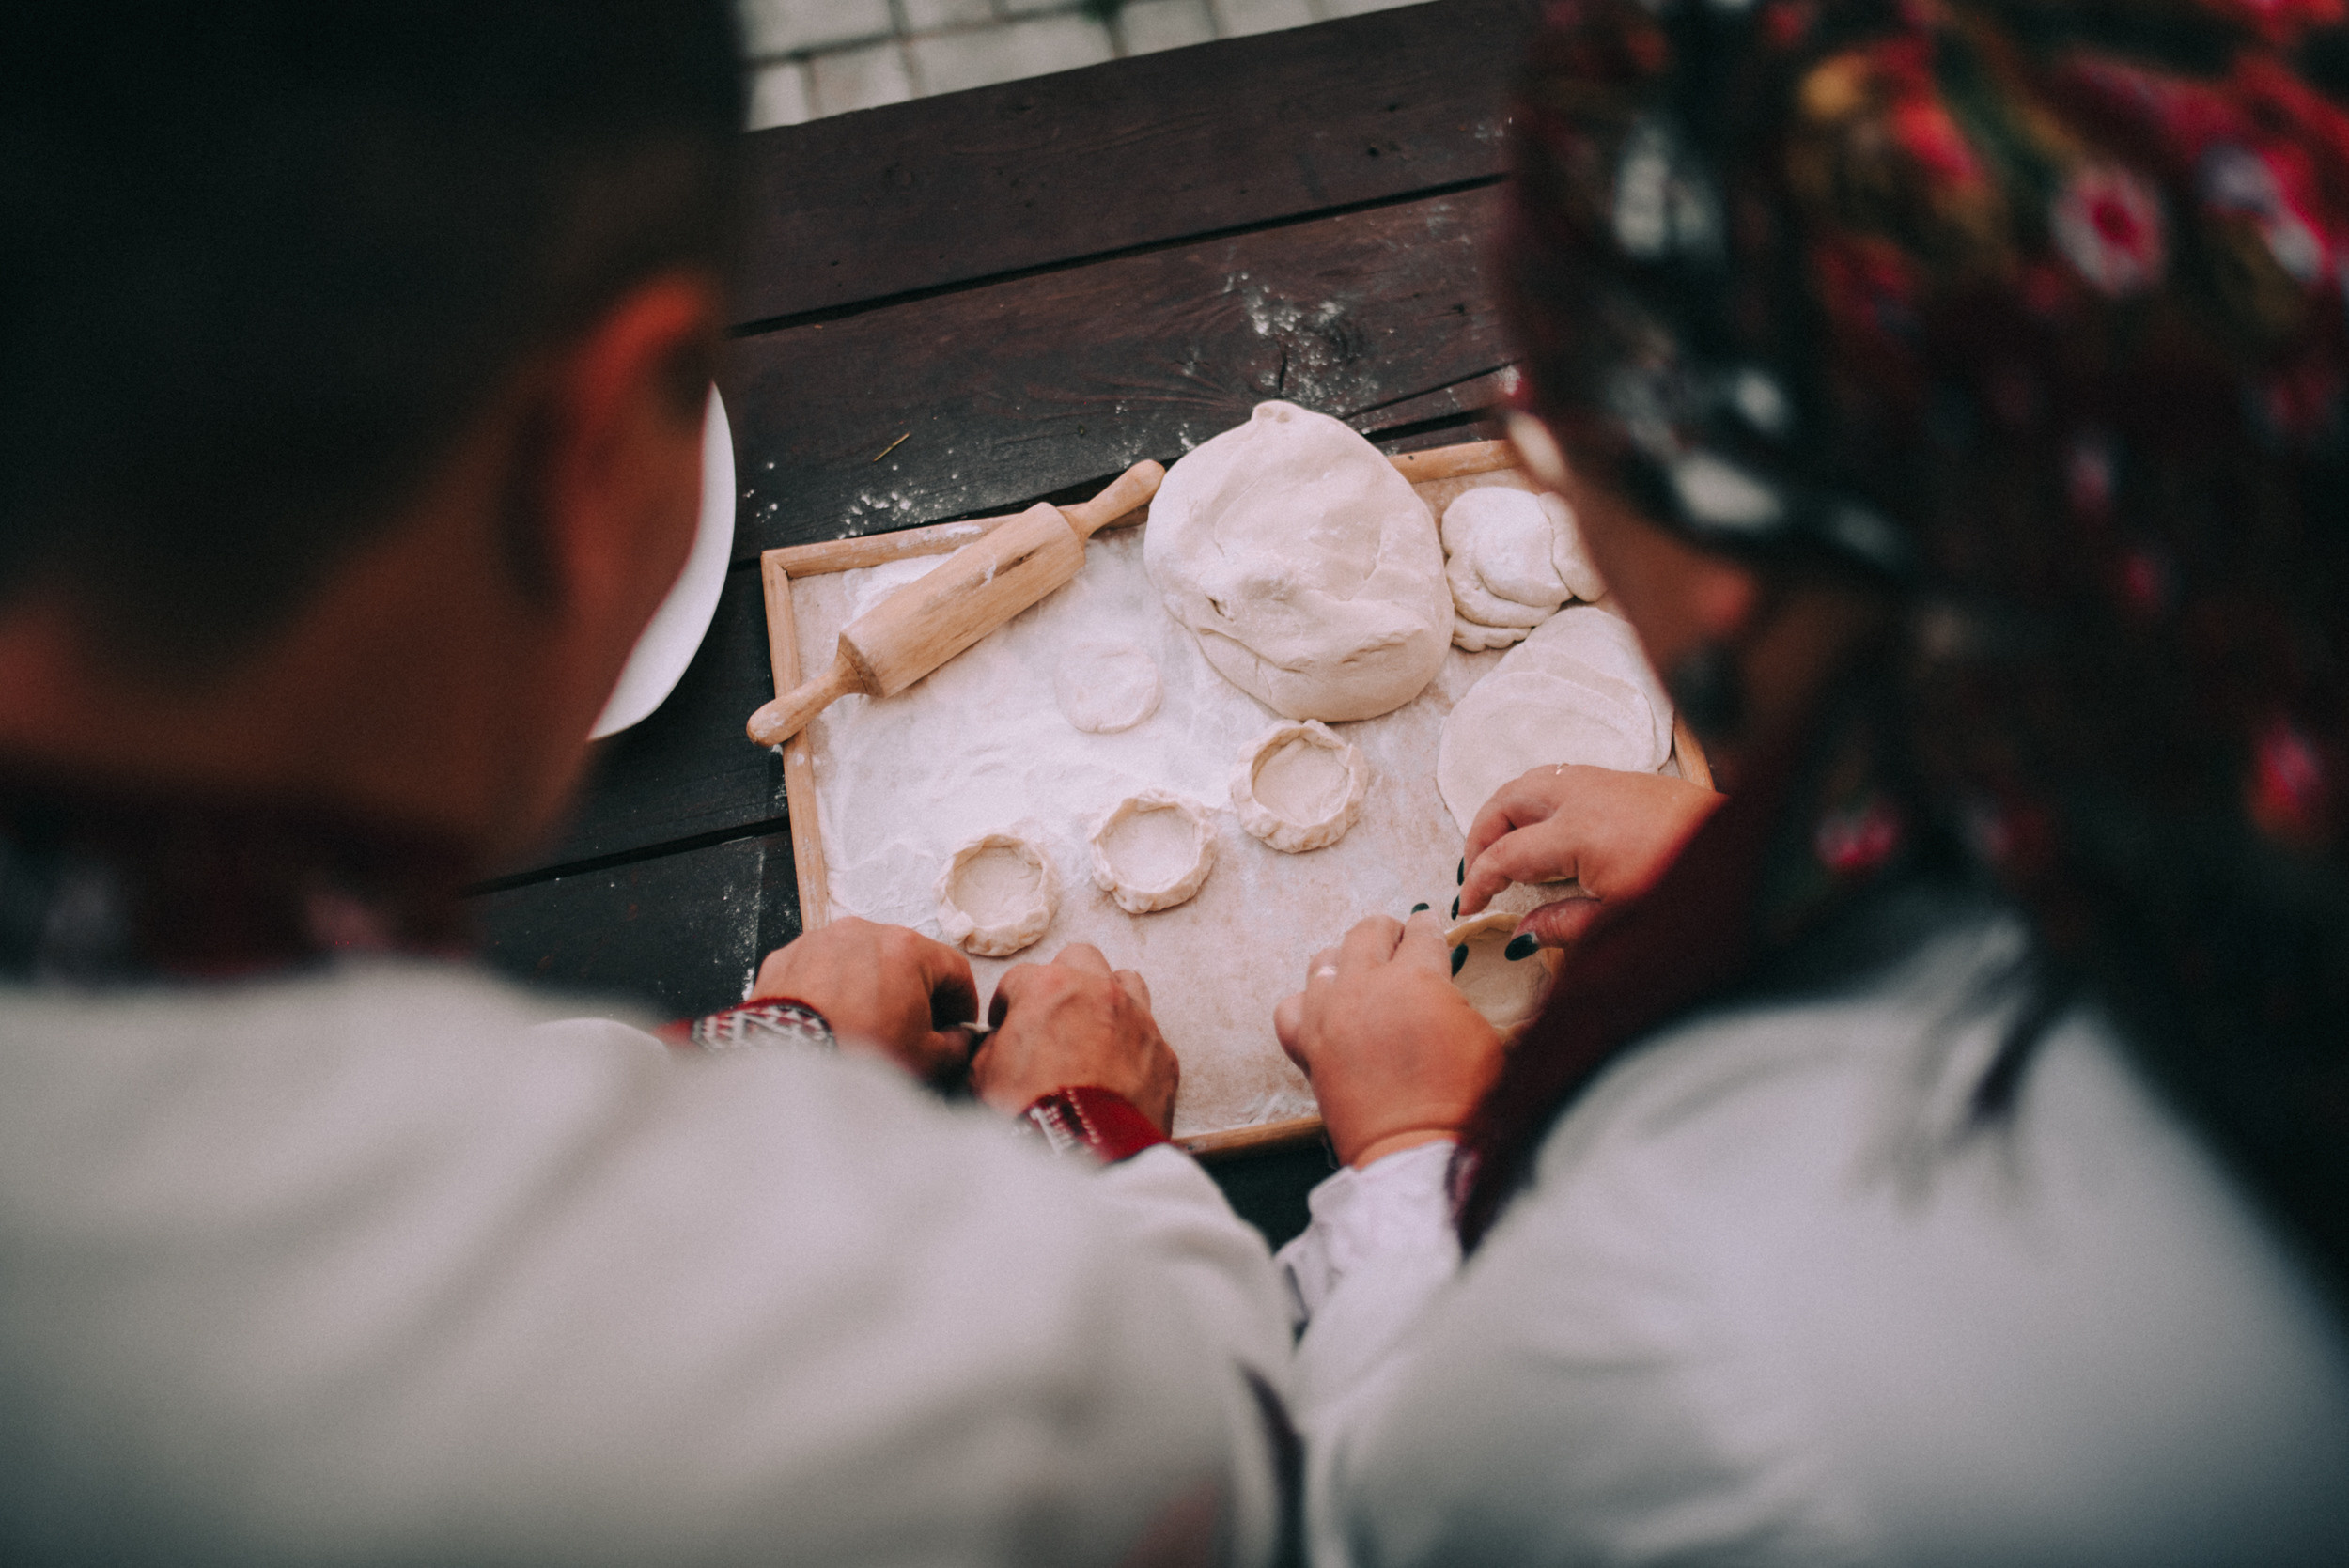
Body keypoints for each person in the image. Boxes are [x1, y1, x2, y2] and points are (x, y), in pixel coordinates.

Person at [0, 5, 1294, 1563]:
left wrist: (773, 1052)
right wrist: (1083, 1135)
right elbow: (1232, 1461)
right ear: (595, 454)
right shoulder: (936, 1377)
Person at [1272, 0, 2349, 1561]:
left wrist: (1405, 1162)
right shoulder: (2229, 688)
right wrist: (1755, 839)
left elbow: (1398, 1505)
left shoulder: (1692, 1309)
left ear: (1732, 562)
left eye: (1561, 445)